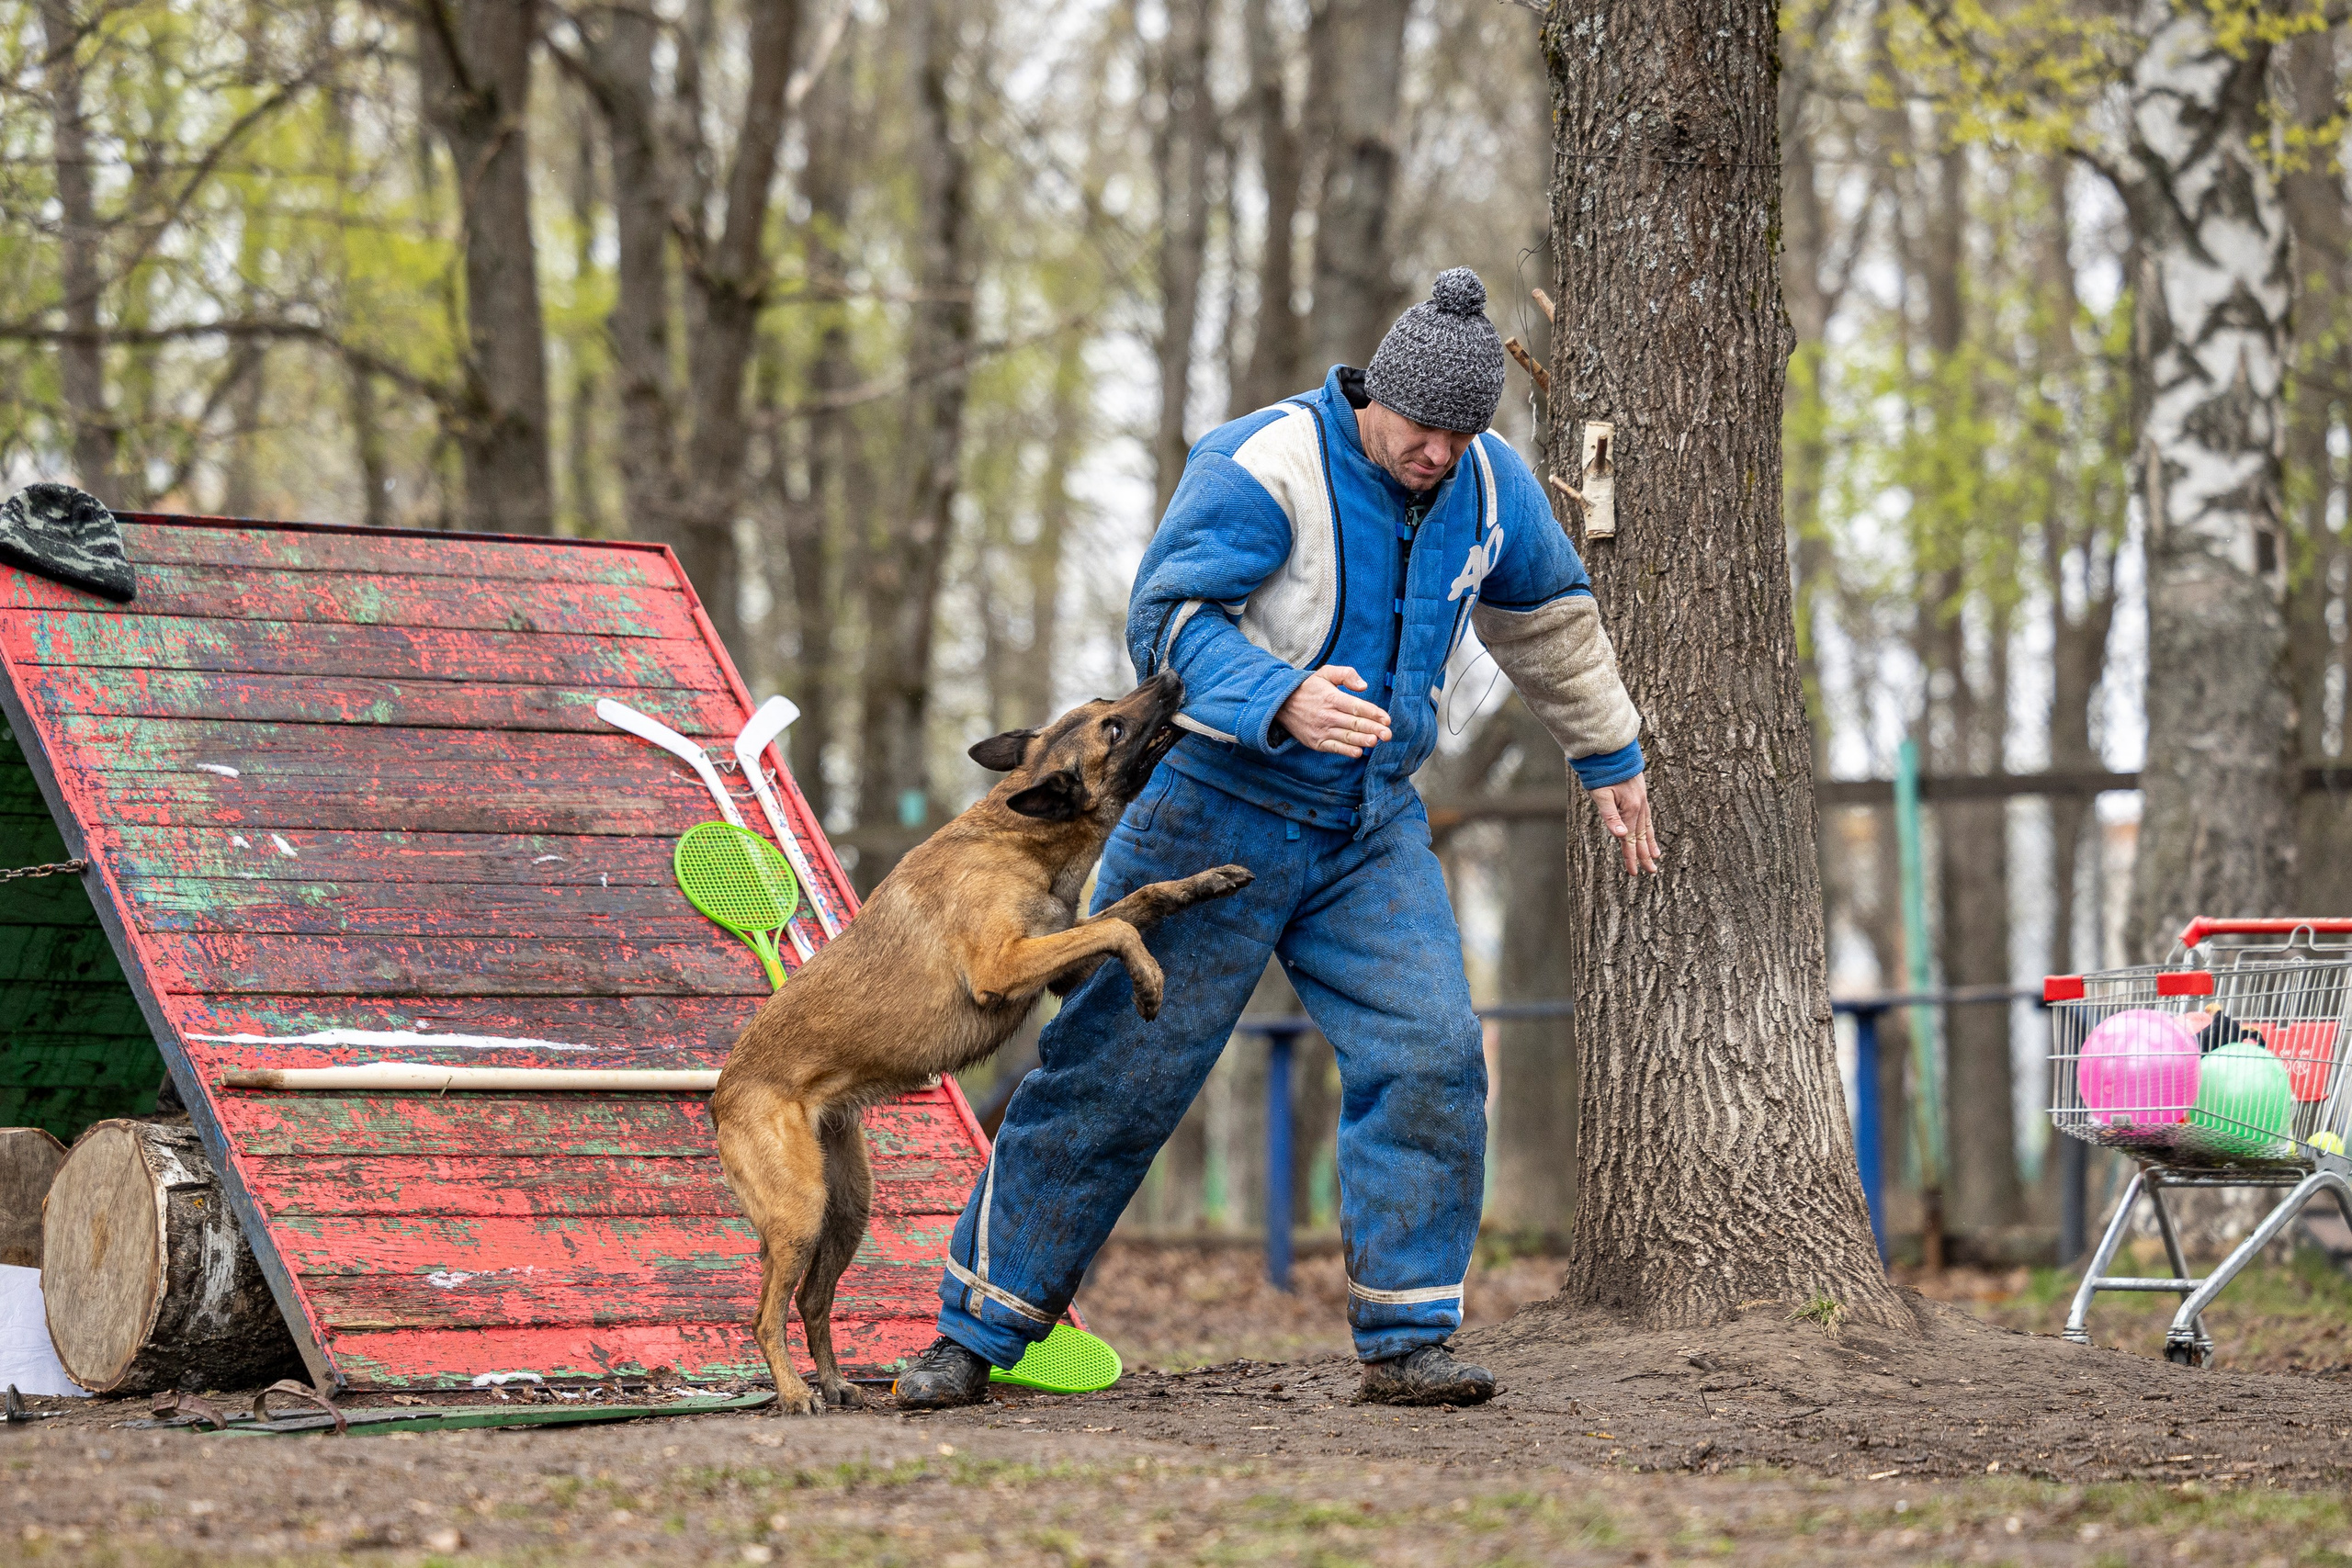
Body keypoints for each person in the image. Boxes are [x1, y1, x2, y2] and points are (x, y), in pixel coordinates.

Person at [896, 267, 1656, 1410]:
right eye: (1422, 429)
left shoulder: (1491, 485)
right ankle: (974, 1331)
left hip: (1370, 826)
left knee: (1432, 1053)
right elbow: (1167, 618)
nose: (1439, 453)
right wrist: (1280, 697)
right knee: (1114, 1074)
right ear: (1372, 399)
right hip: (1212, 802)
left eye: (1462, 433)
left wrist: (1613, 758)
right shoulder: (1264, 463)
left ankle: (1408, 1338)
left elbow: (1547, 622)